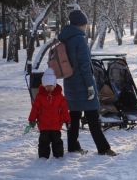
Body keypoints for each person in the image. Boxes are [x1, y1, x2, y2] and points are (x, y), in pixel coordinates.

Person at [59, 9, 116, 156]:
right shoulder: (79, 39)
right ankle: (103, 148)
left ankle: (72, 146)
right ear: (81, 24)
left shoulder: (66, 38)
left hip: (70, 83)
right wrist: (90, 86)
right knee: (92, 117)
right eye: (85, 23)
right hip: (83, 85)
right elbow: (85, 66)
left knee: (74, 116)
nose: (86, 26)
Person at [28, 68, 70, 159]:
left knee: (57, 141)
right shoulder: (40, 96)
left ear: (54, 85)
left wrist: (67, 121)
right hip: (43, 125)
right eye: (47, 86)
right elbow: (35, 109)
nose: (49, 88)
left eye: (51, 86)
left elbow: (64, 110)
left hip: (56, 125)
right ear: (43, 85)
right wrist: (32, 119)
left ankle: (58, 156)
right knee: (43, 142)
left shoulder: (59, 96)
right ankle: (43, 156)